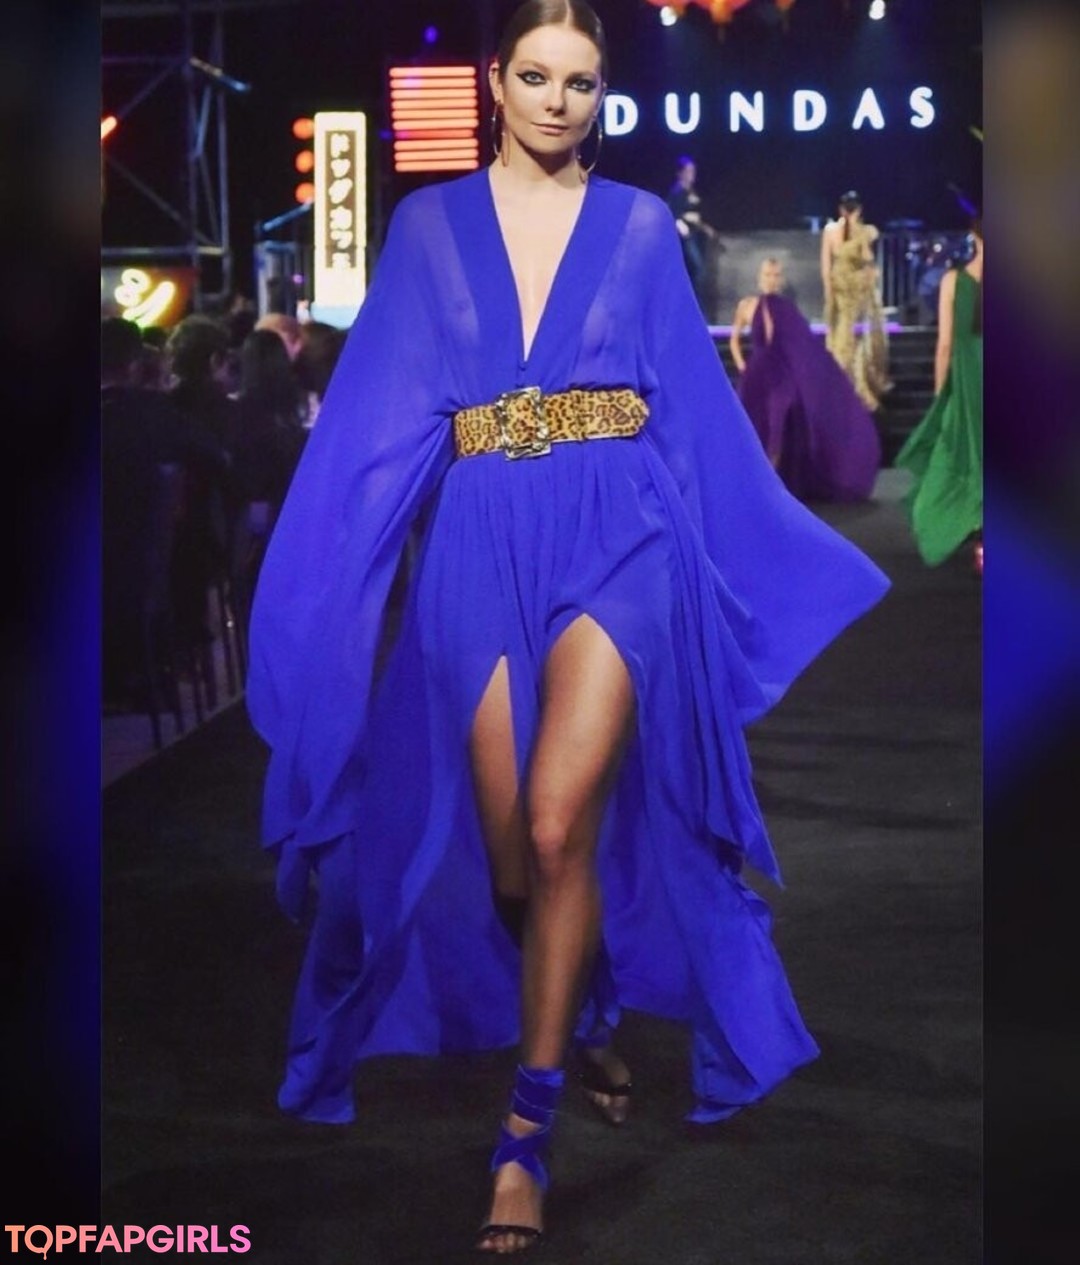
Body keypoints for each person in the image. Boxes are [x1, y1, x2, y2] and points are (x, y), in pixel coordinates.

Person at [245, 1, 890, 1254]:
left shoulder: (640, 227)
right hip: (480, 535)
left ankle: (524, 1136)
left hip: (620, 529)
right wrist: (332, 575)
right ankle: (582, 996)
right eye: (535, 75)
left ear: (601, 96)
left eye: (581, 81)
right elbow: (379, 412)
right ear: (495, 83)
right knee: (511, 862)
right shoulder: (426, 226)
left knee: (556, 824)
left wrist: (734, 562)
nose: (556, 99)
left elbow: (690, 410)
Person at [730, 257, 881, 501]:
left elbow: (802, 345)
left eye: (776, 275)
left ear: (781, 279)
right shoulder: (746, 306)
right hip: (756, 377)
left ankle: (772, 486)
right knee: (755, 427)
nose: (771, 280)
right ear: (759, 277)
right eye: (768, 275)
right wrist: (742, 365)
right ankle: (754, 485)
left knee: (777, 423)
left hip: (781, 376)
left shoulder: (786, 309)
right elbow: (734, 340)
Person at [894, 217, 983, 570]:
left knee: (963, 452)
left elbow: (944, 344)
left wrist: (940, 393)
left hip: (967, 381)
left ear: (974, 236)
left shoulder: (953, 281)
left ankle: (978, 538)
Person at [821, 190, 892, 411]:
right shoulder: (833, 230)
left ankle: (857, 385)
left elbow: (867, 259)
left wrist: (858, 233)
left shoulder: (863, 231)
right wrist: (829, 291)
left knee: (856, 336)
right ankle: (844, 385)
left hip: (856, 288)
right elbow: (827, 263)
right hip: (843, 288)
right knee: (844, 335)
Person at [666, 155, 718, 313]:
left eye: (693, 171)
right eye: (688, 171)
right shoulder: (677, 192)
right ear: (680, 173)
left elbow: (695, 215)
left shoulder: (692, 192)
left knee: (698, 273)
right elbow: (673, 213)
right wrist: (681, 226)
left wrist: (705, 228)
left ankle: (694, 307)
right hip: (685, 238)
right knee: (696, 268)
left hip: (695, 236)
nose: (691, 174)